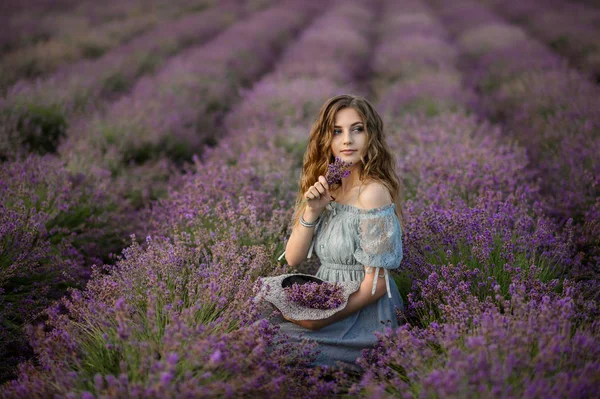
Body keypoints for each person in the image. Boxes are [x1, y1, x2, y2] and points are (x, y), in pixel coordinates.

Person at [267, 94, 405, 373]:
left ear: (371, 136)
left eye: (358, 129)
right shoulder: (329, 187)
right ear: (326, 140)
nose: (347, 141)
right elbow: (293, 259)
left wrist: (319, 321)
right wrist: (312, 210)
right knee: (248, 326)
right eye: (337, 131)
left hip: (364, 317)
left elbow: (377, 285)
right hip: (325, 300)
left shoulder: (373, 193)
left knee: (266, 344)